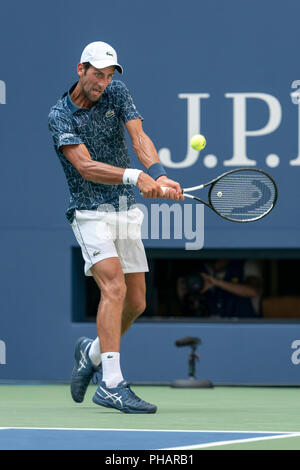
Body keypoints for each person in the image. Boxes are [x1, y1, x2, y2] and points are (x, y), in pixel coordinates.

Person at [48, 41, 183, 414]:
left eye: (108, 76)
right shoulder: (60, 115)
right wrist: (135, 176)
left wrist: (159, 175)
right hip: (89, 211)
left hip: (123, 210)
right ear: (80, 69)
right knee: (114, 285)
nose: (103, 83)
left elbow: (139, 137)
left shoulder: (117, 91)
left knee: (136, 301)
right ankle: (111, 384)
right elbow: (86, 167)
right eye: (97, 74)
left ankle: (91, 352)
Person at [177, 259, 262, 318]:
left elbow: (253, 291)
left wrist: (216, 282)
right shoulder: (199, 270)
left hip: (244, 332)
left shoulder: (245, 263)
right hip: (211, 332)